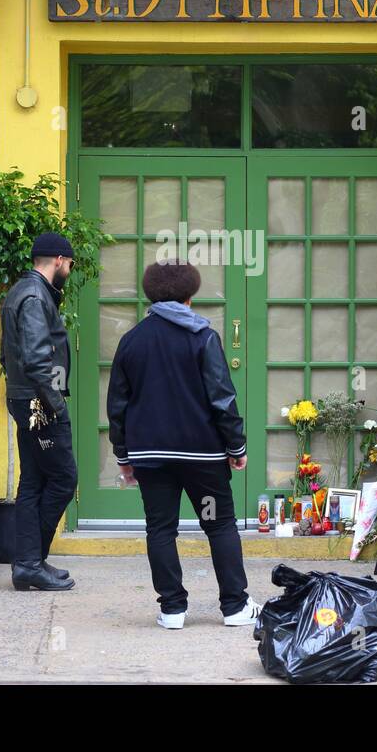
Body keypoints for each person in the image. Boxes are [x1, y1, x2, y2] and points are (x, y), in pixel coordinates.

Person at [106, 260, 261, 630]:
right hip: (202, 458)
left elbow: (117, 406)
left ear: (150, 293)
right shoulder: (203, 337)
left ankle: (172, 609)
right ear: (191, 295)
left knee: (161, 529)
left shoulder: (132, 341)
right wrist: (236, 446)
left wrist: (123, 456)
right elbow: (222, 398)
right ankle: (235, 606)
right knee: (218, 524)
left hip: (151, 457)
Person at [0, 232, 79, 592]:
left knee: (33, 481)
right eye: (70, 264)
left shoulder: (23, 291)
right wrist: (56, 405)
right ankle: (30, 562)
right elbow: (35, 359)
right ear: (60, 260)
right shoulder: (34, 297)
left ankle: (28, 563)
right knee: (64, 479)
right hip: (38, 403)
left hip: (25, 399)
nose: (70, 271)